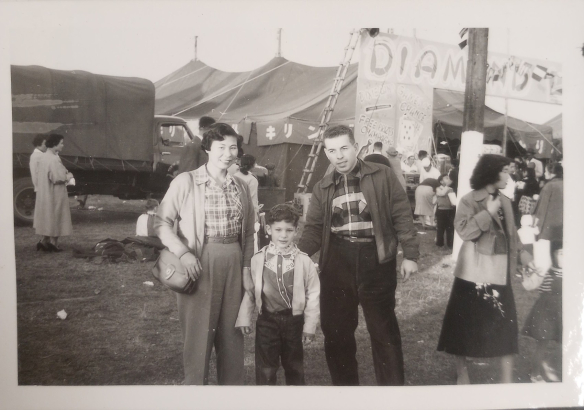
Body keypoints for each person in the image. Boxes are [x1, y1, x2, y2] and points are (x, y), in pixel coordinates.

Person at [297, 125, 419, 386]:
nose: (339, 156)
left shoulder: (383, 175)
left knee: (383, 330)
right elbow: (314, 229)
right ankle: (346, 393)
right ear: (326, 154)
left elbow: (402, 215)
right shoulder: (323, 186)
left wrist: (411, 254)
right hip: (337, 260)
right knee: (336, 331)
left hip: (374, 258)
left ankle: (392, 396)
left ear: (356, 147)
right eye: (331, 151)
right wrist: (295, 255)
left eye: (343, 148)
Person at [154, 123, 255, 385]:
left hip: (234, 257)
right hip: (199, 261)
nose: (228, 153)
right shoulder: (186, 181)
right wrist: (184, 254)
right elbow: (161, 223)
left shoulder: (241, 186)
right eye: (221, 147)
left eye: (233, 147)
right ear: (208, 149)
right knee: (198, 338)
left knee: (233, 337)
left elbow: (248, 234)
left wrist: (246, 270)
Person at [437, 154, 534, 384]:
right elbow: (465, 233)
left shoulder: (506, 200)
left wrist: (523, 253)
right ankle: (462, 372)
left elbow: (511, 233)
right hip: (472, 274)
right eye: (505, 171)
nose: (509, 177)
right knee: (463, 325)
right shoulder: (469, 200)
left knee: (505, 324)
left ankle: (507, 378)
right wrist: (487, 212)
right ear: (491, 172)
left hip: (500, 273)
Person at [236, 203, 320, 385]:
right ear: (268, 229)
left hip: (293, 322)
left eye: (289, 230)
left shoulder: (304, 261)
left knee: (294, 367)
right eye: (278, 229)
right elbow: (251, 291)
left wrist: (309, 326)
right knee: (266, 369)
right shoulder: (258, 259)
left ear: (296, 231)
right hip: (267, 322)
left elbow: (313, 296)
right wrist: (244, 317)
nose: (283, 235)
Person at [522, 240, 562, 383]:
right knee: (542, 344)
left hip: (562, 313)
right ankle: (535, 373)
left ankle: (552, 365)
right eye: (561, 254)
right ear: (554, 255)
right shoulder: (546, 271)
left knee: (565, 342)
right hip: (546, 313)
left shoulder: (572, 272)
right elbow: (529, 285)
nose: (564, 257)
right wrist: (528, 273)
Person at [33, 133, 74, 252]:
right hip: (55, 193)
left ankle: (44, 241)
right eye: (61, 143)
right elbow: (57, 178)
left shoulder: (44, 157)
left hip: (45, 192)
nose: (63, 145)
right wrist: (68, 176)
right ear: (55, 144)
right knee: (57, 215)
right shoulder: (54, 158)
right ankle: (54, 243)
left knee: (48, 216)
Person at [234, 154, 259, 220]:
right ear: (253, 165)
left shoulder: (233, 176)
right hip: (247, 212)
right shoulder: (252, 179)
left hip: (234, 210)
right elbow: (252, 199)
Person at [435, 174, 455, 248]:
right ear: (441, 181)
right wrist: (447, 186)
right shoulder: (438, 188)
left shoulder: (450, 189)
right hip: (441, 210)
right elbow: (442, 193)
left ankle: (450, 244)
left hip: (449, 210)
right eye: (446, 178)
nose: (448, 180)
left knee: (450, 228)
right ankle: (439, 243)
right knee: (440, 228)